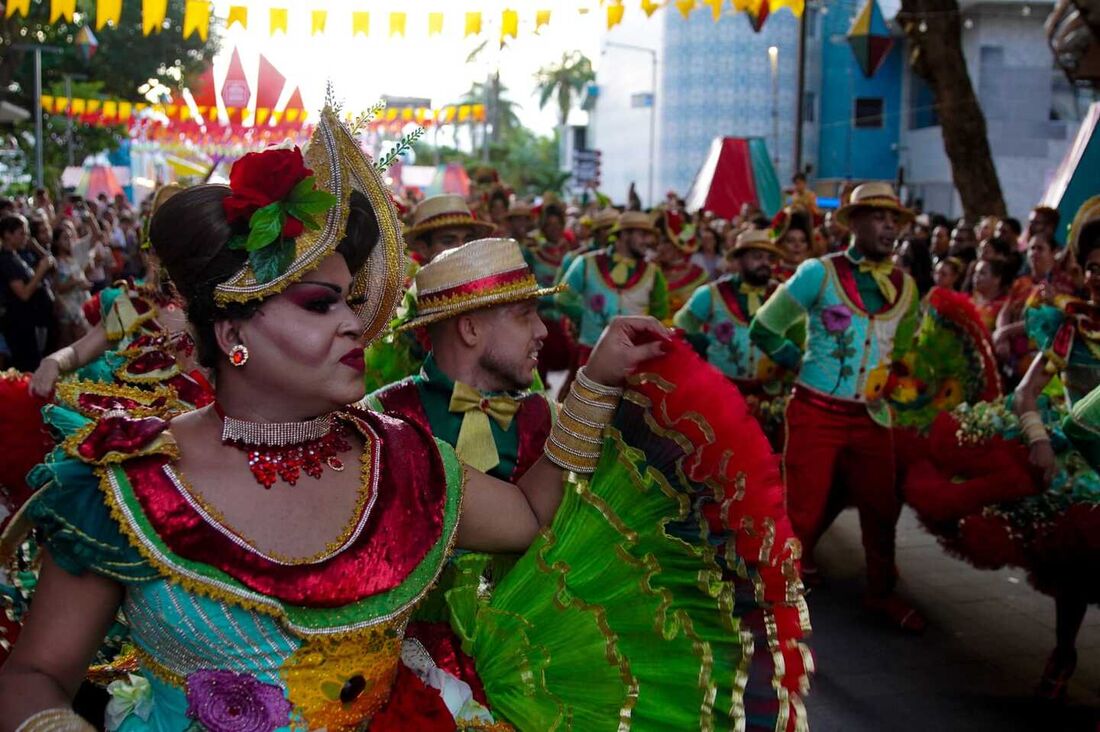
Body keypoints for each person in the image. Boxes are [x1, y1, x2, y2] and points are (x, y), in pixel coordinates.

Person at [0, 107, 811, 731]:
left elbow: (529, 513)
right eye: (322, 304)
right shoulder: (126, 483)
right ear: (232, 333)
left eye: (355, 301)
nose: (356, 324)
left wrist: (593, 382)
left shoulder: (401, 459)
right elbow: (36, 675)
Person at [903, 195, 1100, 700]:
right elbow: (1024, 393)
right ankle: (1064, 649)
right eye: (1095, 268)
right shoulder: (1071, 329)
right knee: (1075, 572)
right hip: (1081, 463)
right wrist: (1039, 441)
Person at [750, 182, 925, 631]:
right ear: (855, 222)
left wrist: (897, 378)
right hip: (815, 410)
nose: (890, 226)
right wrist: (797, 362)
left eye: (896, 220)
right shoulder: (818, 273)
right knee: (803, 512)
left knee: (881, 510)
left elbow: (904, 349)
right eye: (880, 217)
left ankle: (881, 593)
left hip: (871, 418)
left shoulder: (906, 287)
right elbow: (765, 326)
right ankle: (776, 599)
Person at [557, 210, 670, 365]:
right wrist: (585, 319)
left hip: (633, 359)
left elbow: (660, 313)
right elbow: (562, 297)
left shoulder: (654, 272)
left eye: (648, 235)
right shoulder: (585, 262)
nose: (648, 241)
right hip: (592, 353)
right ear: (624, 235)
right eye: (642, 234)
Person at [0, 214, 55, 371]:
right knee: (27, 367)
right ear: (7, 235)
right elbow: (23, 293)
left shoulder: (17, 256)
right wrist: (41, 270)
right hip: (18, 324)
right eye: (21, 233)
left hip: (29, 321)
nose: (26, 238)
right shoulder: (6, 260)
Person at [403, 193, 494, 265]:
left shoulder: (490, 284)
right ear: (423, 249)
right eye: (448, 241)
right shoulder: (410, 287)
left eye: (468, 240)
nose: (461, 247)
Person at [654, 209, 709, 317]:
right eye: (658, 242)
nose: (659, 248)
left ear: (678, 246)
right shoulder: (650, 273)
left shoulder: (699, 275)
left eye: (665, 242)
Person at [774, 207, 816, 282]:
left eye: (803, 241)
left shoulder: (815, 274)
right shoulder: (771, 275)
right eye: (790, 241)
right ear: (780, 245)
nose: (797, 245)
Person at [971, 258, 1011, 332]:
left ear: (997, 279)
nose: (976, 276)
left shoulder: (1005, 305)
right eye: (975, 272)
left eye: (982, 273)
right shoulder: (970, 301)